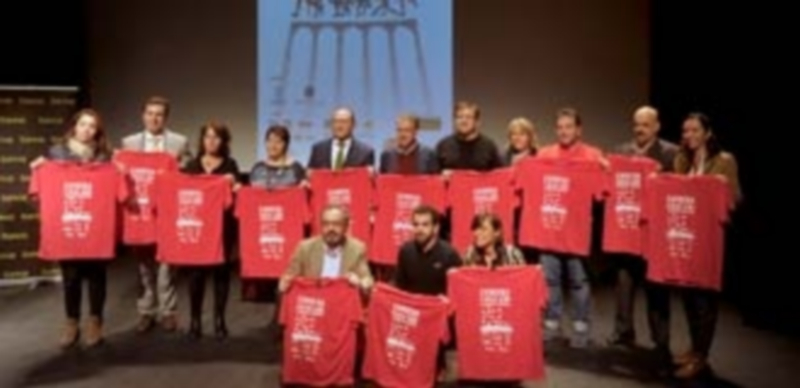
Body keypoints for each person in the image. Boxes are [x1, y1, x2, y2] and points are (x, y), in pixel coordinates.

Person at [30, 109, 113, 348]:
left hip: (95, 227)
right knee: (71, 277)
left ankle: (96, 321)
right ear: (74, 127)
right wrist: (39, 168)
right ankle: (71, 322)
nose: (87, 130)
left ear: (97, 131)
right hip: (69, 227)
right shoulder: (56, 153)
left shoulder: (105, 157)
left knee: (97, 276)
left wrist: (121, 171)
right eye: (83, 124)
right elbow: (43, 185)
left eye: (92, 126)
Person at [670, 112, 741, 379]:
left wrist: (721, 188)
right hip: (686, 236)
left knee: (705, 301)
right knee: (689, 297)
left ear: (707, 133)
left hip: (711, 239)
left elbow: (736, 199)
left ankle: (701, 356)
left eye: (695, 130)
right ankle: (694, 348)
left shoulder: (724, 161)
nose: (689, 136)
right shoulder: (681, 159)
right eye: (686, 131)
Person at [607, 106, 679, 349]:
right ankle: (623, 331)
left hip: (654, 232)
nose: (639, 129)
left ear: (657, 126)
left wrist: (662, 178)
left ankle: (661, 340)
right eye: (636, 124)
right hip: (626, 229)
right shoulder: (619, 152)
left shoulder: (671, 154)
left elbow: (679, 190)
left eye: (645, 124)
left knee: (656, 288)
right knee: (624, 284)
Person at [120, 96, 192, 333]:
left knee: (166, 266)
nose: (154, 118)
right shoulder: (128, 143)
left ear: (166, 117)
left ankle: (168, 311)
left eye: (159, 114)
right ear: (143, 115)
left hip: (166, 213)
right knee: (143, 267)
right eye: (150, 113)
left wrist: (178, 167)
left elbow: (188, 173)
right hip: (139, 212)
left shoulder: (179, 142)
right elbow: (118, 173)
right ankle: (146, 311)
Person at [536, 107, 605, 348]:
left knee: (579, 281)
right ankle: (551, 324)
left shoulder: (593, 155)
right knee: (550, 281)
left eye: (569, 127)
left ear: (579, 129)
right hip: (549, 230)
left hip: (577, 231)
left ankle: (581, 327)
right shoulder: (544, 154)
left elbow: (600, 195)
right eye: (560, 127)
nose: (564, 131)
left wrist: (605, 170)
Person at [246, 125, 307, 335]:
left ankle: (284, 320)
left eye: (278, 141)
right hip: (265, 228)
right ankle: (277, 319)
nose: (273, 145)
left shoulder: (297, 168)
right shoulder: (257, 168)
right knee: (271, 276)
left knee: (288, 275)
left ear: (286, 144)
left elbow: (304, 198)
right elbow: (250, 197)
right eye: (270, 140)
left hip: (287, 230)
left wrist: (304, 189)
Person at [181, 122, 240, 339]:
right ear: (202, 140)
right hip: (198, 230)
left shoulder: (230, 165)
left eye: (216, 137)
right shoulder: (192, 165)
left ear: (223, 141)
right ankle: (195, 321)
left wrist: (234, 183)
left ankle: (219, 320)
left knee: (221, 275)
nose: (211, 141)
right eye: (208, 137)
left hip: (223, 228)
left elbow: (236, 193)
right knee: (195, 276)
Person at [278, 205, 373, 292]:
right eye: (326, 224)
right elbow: (289, 276)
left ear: (346, 226)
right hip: (314, 300)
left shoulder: (357, 248)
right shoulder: (305, 247)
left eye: (336, 224)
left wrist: (360, 282)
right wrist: (285, 283)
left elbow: (368, 280)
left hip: (339, 302)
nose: (330, 229)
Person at [435, 101, 503, 173]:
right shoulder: (443, 146)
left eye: (468, 117)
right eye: (459, 117)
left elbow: (498, 176)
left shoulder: (489, 146)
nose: (464, 121)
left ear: (477, 122)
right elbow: (433, 177)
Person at [307, 107, 375, 170]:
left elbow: (367, 181)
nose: (339, 126)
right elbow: (310, 175)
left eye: (344, 122)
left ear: (353, 124)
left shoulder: (365, 152)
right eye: (335, 122)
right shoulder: (318, 149)